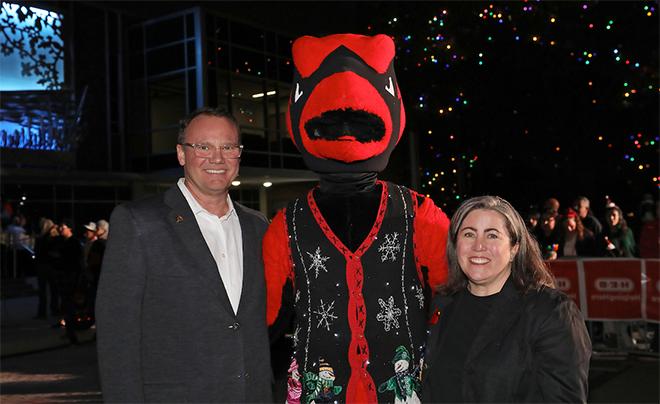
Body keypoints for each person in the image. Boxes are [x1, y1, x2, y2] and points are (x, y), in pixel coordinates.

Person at [263, 34, 450, 403]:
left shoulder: (419, 213)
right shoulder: (287, 224)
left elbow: (455, 298)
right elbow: (264, 317)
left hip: (402, 390)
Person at [95, 108, 273, 403]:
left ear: (238, 156)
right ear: (181, 154)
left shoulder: (258, 227)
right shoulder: (139, 223)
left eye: (227, 147)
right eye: (203, 146)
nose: (217, 158)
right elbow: (117, 338)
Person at [422, 195, 591, 403]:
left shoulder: (550, 312)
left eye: (492, 235)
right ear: (455, 245)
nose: (478, 246)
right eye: (468, 234)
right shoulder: (442, 305)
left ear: (514, 248)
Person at [34, 218, 60, 318]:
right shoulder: (53, 237)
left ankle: (42, 312)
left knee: (43, 291)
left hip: (42, 266)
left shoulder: (40, 238)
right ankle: (54, 309)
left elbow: (37, 252)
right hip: (51, 266)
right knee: (54, 290)